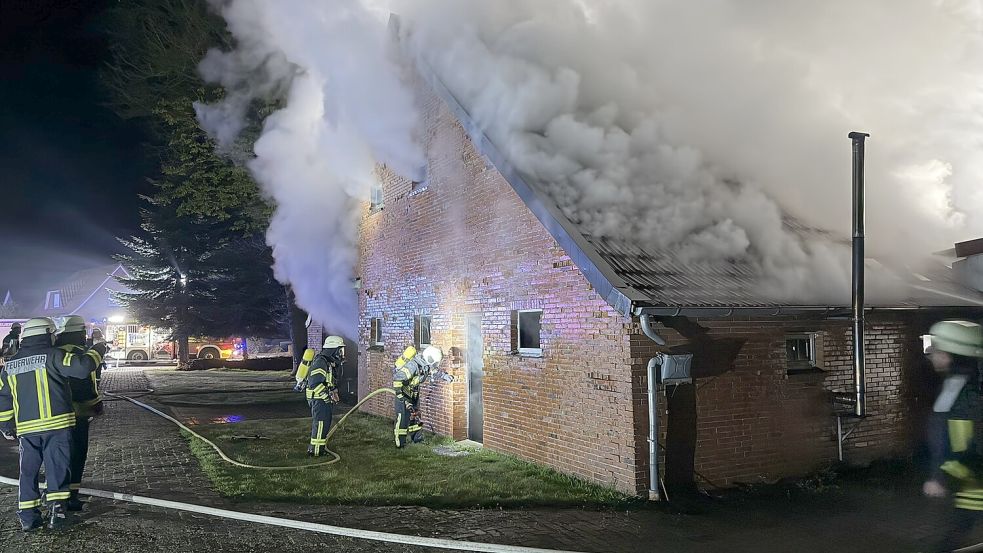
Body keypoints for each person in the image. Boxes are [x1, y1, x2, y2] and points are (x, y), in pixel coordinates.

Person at [0, 317, 100, 531]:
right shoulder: (54, 355)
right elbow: (82, 368)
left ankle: (28, 517)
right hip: (57, 426)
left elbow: (4, 398)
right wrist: (97, 351)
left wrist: (6, 426)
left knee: (28, 472)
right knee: (57, 469)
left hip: (27, 429)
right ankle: (58, 513)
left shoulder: (11, 365)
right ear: (47, 334)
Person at [922, 320, 983, 552]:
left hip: (973, 483)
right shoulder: (964, 385)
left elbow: (949, 437)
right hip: (970, 483)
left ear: (950, 355)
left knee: (955, 534)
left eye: (936, 351)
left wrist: (939, 476)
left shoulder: (962, 391)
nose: (933, 357)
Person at [54, 316, 105, 512]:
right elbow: (83, 385)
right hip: (77, 413)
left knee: (59, 456)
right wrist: (95, 403)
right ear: (78, 334)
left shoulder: (55, 353)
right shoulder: (77, 354)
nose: (85, 337)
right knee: (76, 456)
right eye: (84, 333)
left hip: (56, 415)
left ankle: (57, 495)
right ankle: (71, 498)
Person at [392, 345, 447, 448]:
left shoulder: (425, 365)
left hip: (414, 392)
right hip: (404, 393)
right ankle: (400, 443)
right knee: (403, 418)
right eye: (435, 362)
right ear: (430, 359)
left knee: (416, 415)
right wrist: (402, 397)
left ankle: (417, 438)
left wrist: (445, 376)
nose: (435, 365)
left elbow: (433, 372)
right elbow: (397, 379)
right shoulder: (413, 366)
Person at [305, 336, 344, 457]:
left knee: (325, 424)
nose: (341, 353)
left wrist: (333, 392)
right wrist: (326, 396)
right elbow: (314, 382)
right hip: (318, 398)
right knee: (320, 424)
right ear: (333, 349)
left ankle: (320, 448)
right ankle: (315, 451)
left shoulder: (328, 362)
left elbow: (328, 381)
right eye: (340, 350)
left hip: (323, 398)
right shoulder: (320, 362)